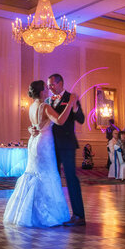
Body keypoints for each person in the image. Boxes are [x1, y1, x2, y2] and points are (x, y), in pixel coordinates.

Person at [3, 80, 76, 227]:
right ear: (42, 91)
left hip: (34, 141)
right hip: (44, 144)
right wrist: (71, 103)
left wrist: (31, 129)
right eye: (45, 88)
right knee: (46, 174)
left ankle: (29, 213)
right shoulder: (45, 106)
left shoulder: (31, 107)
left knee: (34, 172)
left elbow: (33, 125)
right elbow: (60, 120)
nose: (48, 90)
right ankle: (45, 215)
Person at [47, 73, 86, 226]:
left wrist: (75, 106)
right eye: (48, 85)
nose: (50, 87)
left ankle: (79, 215)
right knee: (53, 179)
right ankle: (56, 213)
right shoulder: (48, 100)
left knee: (71, 179)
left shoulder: (71, 97)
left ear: (60, 83)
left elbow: (81, 119)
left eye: (52, 84)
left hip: (67, 145)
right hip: (50, 145)